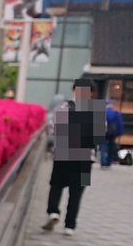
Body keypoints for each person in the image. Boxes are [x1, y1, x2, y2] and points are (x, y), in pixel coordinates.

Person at [44, 79, 105, 236]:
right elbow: (100, 137)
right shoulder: (97, 111)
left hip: (63, 155)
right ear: (92, 93)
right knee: (77, 191)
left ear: (74, 90)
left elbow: (52, 129)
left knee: (56, 185)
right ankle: (69, 226)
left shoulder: (63, 108)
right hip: (86, 159)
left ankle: (53, 212)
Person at [102, 98, 125, 169]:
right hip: (112, 133)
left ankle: (103, 163)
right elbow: (120, 124)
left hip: (103, 132)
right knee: (111, 147)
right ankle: (108, 163)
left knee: (103, 147)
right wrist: (120, 133)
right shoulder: (116, 113)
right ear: (111, 105)